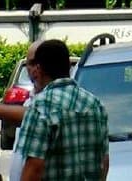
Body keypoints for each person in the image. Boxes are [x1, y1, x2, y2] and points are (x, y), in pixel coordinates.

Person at [14, 38, 108, 181]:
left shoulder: (40, 106)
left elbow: (34, 167)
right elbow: (104, 162)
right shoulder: (95, 104)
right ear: (69, 67)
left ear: (39, 69)